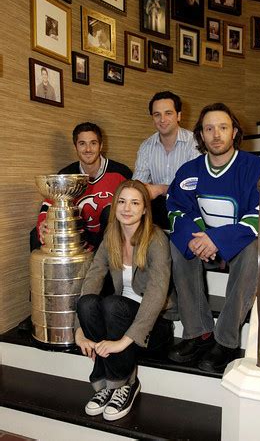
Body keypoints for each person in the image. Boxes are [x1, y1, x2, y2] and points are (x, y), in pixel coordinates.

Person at [167, 103, 260, 373]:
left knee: (254, 248)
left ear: (234, 132)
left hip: (238, 250)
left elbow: (259, 215)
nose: (216, 134)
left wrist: (217, 240)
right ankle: (198, 333)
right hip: (204, 249)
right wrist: (197, 239)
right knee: (178, 245)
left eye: (223, 127)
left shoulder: (255, 167)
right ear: (201, 134)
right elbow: (175, 209)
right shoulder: (189, 170)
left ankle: (226, 340)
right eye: (209, 128)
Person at [75, 180, 174, 420]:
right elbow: (93, 276)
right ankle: (108, 384)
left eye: (135, 202)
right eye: (122, 201)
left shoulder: (157, 239)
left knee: (112, 305)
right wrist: (79, 330)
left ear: (144, 209)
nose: (127, 208)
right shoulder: (112, 235)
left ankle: (123, 385)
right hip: (118, 318)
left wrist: (122, 342)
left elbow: (156, 293)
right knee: (87, 302)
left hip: (154, 326)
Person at [34, 122, 132, 252]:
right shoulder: (66, 174)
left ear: (101, 145)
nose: (88, 149)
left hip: (112, 238)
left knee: (110, 213)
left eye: (93, 143)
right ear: (75, 147)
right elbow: (50, 203)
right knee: (34, 236)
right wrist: (42, 224)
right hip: (80, 235)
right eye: (82, 144)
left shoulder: (121, 173)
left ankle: (104, 266)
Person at [132, 91, 199, 229]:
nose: (162, 119)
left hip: (189, 203)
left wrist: (160, 189)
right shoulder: (146, 146)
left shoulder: (195, 143)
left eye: (168, 113)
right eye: (157, 115)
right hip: (158, 206)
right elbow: (138, 184)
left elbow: (195, 186)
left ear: (179, 115)